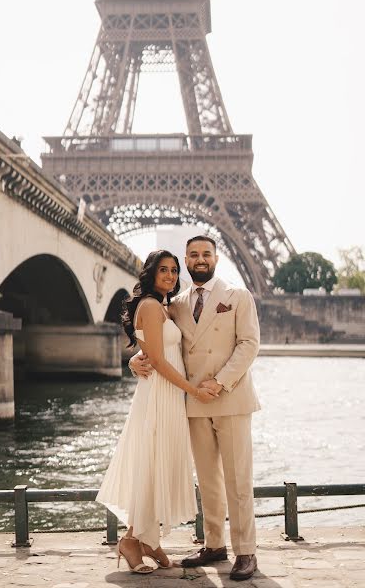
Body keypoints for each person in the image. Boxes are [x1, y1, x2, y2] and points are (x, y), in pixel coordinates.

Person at [130, 236, 261, 582]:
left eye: (206, 254)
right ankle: (215, 545)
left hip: (229, 396)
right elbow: (152, 336)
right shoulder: (176, 304)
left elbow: (249, 344)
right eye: (193, 255)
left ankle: (246, 551)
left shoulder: (239, 296)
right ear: (187, 261)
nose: (199, 259)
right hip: (194, 404)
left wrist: (220, 382)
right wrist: (134, 358)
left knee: (238, 479)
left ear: (216, 257)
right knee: (208, 481)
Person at [97, 249, 218, 574]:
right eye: (163, 270)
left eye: (174, 271)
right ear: (150, 273)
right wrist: (193, 391)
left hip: (166, 394)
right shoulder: (151, 306)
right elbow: (159, 361)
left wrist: (135, 358)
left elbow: (150, 352)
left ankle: (148, 539)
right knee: (152, 465)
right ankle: (132, 541)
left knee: (158, 463)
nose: (170, 276)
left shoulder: (165, 307)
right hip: (159, 395)